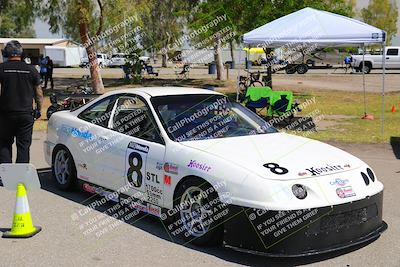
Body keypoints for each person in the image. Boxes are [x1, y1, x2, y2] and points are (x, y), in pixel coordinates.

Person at [0, 40, 43, 164]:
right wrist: (38, 110)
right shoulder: (32, 70)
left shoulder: (2, 68)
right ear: (21, 53)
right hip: (26, 114)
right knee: (23, 146)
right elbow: (39, 93)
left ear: (6, 53)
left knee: (4, 143)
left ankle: (4, 174)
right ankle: (20, 176)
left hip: (5, 114)